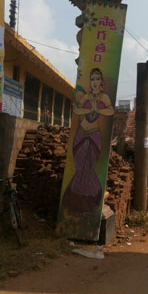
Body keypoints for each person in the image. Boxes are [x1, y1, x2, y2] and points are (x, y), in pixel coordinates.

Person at [61, 68, 114, 217]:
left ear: (101, 81)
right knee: (79, 168)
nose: (94, 82)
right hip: (81, 133)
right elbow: (77, 111)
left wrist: (97, 109)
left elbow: (110, 111)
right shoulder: (86, 97)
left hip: (94, 135)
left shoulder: (104, 98)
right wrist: (86, 109)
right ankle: (74, 206)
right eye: (92, 79)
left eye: (97, 79)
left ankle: (89, 205)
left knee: (89, 169)